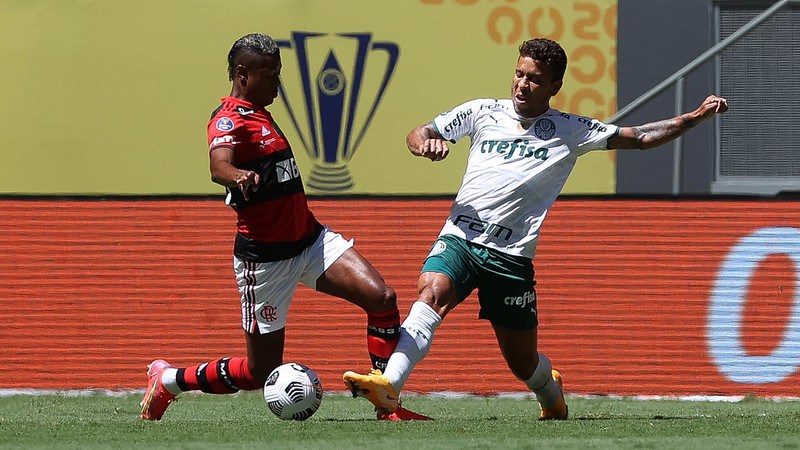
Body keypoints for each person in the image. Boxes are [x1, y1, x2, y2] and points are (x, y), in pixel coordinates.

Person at [343, 37, 728, 419]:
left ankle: (550, 392)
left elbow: (640, 137)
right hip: (461, 237)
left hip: (510, 258)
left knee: (522, 362)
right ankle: (390, 384)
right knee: (431, 291)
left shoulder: (571, 129)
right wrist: (425, 145)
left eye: (534, 79)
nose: (522, 85)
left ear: (554, 87)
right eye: (519, 74)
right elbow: (420, 132)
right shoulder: (481, 112)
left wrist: (692, 118)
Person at [140, 33, 430, 421]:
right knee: (259, 372)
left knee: (382, 300)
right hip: (265, 261)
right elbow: (217, 165)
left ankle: (386, 402)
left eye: (279, 72)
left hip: (310, 241)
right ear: (243, 74)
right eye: (270, 74)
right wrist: (236, 175)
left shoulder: (260, 111)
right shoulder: (229, 117)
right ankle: (170, 380)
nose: (279, 82)